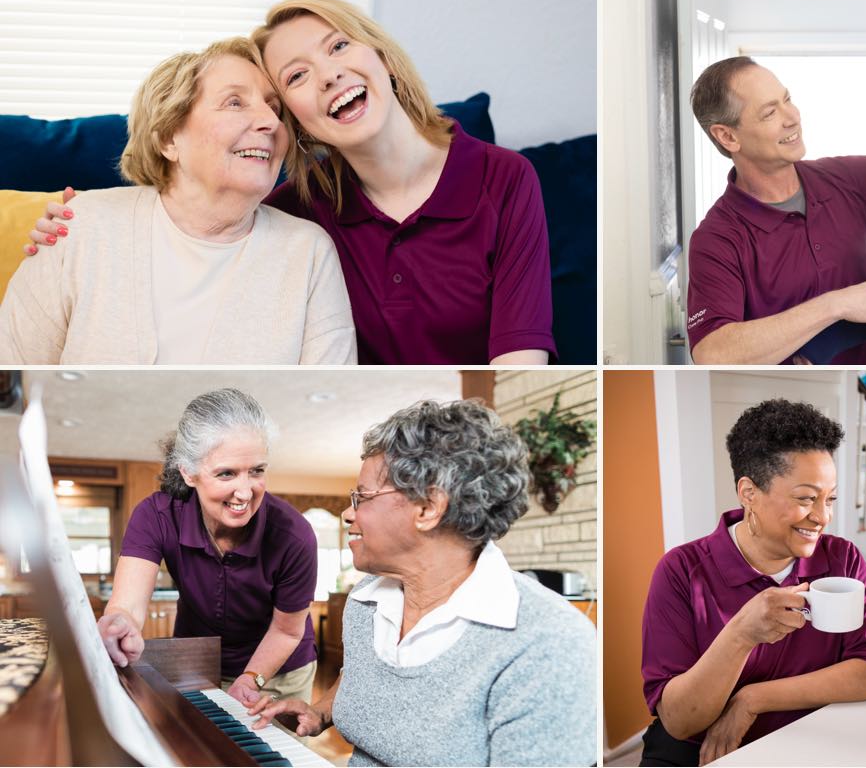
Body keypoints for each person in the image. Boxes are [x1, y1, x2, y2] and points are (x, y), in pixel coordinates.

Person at [247, 399, 596, 767]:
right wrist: (320, 712)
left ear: (429, 508)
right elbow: (362, 680)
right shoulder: (366, 600)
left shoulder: (548, 642)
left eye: (362, 496)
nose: (348, 513)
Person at [0, 37, 356, 365]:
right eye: (234, 102)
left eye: (275, 109)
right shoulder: (78, 226)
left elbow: (331, 392)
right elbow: (12, 372)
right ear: (169, 138)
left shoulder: (309, 252)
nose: (270, 122)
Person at [640, 399, 866, 766]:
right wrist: (742, 633)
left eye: (830, 498)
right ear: (749, 493)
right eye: (806, 498)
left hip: (812, 743)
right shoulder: (681, 571)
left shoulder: (842, 559)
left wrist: (753, 699)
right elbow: (680, 721)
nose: (822, 517)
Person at [684, 57, 866, 365]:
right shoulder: (717, 240)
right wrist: (837, 305)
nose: (792, 118)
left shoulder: (851, 177)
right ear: (728, 136)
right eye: (770, 112)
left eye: (787, 100)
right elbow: (713, 352)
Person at [97, 389, 319, 707]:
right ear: (188, 473)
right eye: (226, 473)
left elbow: (286, 632)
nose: (244, 492)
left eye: (256, 471)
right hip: (194, 663)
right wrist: (120, 623)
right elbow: (126, 608)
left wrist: (251, 678)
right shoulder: (156, 515)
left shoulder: (294, 536)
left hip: (278, 672)